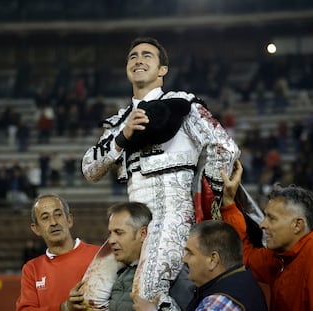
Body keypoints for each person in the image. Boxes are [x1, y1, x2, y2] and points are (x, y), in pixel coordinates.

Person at [82, 36, 240, 309]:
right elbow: (89, 170)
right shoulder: (119, 122)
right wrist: (122, 137)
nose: (138, 60)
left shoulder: (183, 106)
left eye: (147, 56)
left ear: (163, 70)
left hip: (172, 216)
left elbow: (224, 147)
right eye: (133, 56)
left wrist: (210, 198)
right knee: (87, 297)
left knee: (146, 295)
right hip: (131, 221)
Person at [220, 160, 313, 311]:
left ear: (297, 225)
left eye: (272, 218)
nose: (262, 225)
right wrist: (229, 204)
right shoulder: (280, 256)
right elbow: (246, 258)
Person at [66, 201, 192, 311]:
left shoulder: (172, 273)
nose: (111, 241)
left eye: (119, 233)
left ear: (143, 234)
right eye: (110, 233)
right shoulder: (118, 274)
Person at [132, 220, 268, 311]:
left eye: (190, 253)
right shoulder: (238, 280)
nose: (184, 259)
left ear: (213, 259)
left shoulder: (220, 300)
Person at [15, 194, 100, 311]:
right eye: (45, 218)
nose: (53, 222)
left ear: (69, 220)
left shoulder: (98, 256)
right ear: (36, 229)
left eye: (58, 215)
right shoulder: (32, 269)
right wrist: (63, 308)